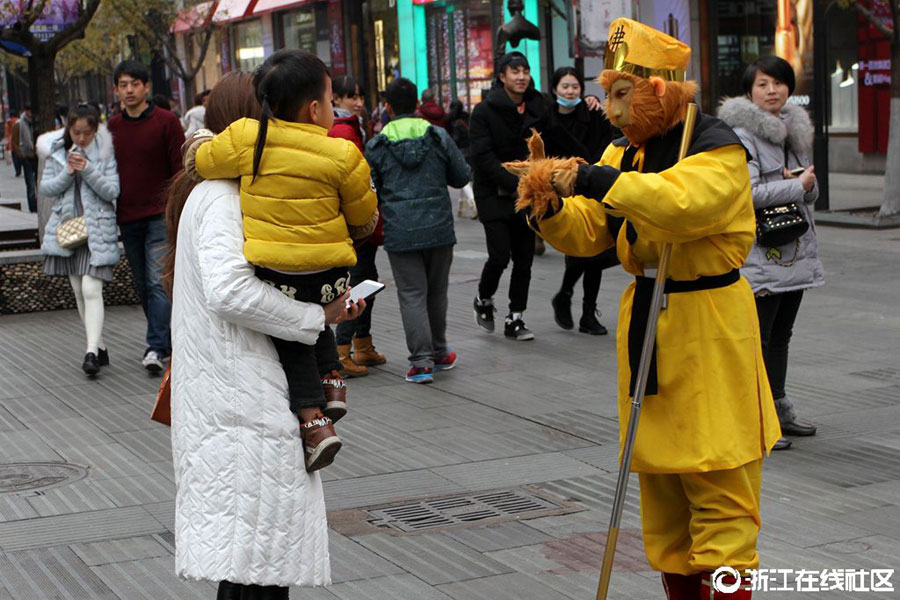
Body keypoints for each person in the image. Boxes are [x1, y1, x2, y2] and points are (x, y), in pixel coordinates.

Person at [509, 19, 780, 599]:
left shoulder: (718, 147)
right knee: (663, 501)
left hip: (708, 323)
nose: (610, 111)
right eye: (607, 95)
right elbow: (596, 231)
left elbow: (682, 204)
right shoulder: (623, 151)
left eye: (621, 95)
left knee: (721, 488)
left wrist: (597, 177)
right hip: (648, 328)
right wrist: (552, 207)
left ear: (659, 92)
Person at [166, 71, 363, 599]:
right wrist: (317, 318)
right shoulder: (225, 197)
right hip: (243, 402)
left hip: (243, 396)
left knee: (256, 563)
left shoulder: (238, 192)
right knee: (255, 567)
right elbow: (230, 291)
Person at [185, 49, 378, 472]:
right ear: (314, 109)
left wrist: (201, 142)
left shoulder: (245, 140)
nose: (335, 109)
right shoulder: (343, 154)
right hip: (330, 273)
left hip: (277, 276)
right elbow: (365, 218)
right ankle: (330, 385)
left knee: (296, 334)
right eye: (331, 101)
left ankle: (314, 423)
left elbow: (202, 163)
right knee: (317, 315)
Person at [718, 55, 823, 452]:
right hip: (761, 252)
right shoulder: (741, 135)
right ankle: (756, 420)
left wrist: (803, 185)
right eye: (763, 84)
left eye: (779, 83)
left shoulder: (793, 131)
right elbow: (744, 193)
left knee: (781, 336)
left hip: (793, 250)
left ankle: (779, 408)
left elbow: (808, 192)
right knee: (758, 339)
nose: (772, 90)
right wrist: (795, 186)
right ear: (749, 90)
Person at [365, 77, 471, 383]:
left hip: (401, 232)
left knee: (412, 294)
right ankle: (440, 352)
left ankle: (421, 362)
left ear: (386, 107)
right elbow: (462, 175)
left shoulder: (377, 145)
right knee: (437, 292)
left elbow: (370, 189)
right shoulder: (438, 137)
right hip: (439, 229)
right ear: (416, 106)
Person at [107, 60, 185, 373]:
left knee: (157, 283)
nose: (129, 90)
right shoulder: (111, 128)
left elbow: (179, 170)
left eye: (134, 84)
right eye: (123, 85)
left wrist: (175, 211)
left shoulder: (167, 122)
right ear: (116, 90)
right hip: (127, 216)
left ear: (147, 87)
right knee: (142, 285)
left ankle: (155, 346)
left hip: (158, 215)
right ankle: (164, 341)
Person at [470, 51, 549, 341]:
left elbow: (557, 137)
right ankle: (484, 298)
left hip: (526, 194)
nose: (521, 77)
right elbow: (482, 156)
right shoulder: (483, 112)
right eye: (515, 71)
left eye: (525, 71)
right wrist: (514, 181)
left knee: (525, 258)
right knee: (500, 255)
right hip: (493, 193)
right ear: (502, 77)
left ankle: (516, 318)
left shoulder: (538, 107)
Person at [39, 103, 120, 376]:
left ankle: (90, 354)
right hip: (69, 232)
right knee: (78, 292)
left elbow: (112, 191)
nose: (81, 138)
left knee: (90, 290)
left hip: (97, 230)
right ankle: (99, 345)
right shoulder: (58, 152)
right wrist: (68, 172)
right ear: (69, 129)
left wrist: (87, 169)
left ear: (96, 129)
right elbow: (46, 188)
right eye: (76, 132)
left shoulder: (105, 152)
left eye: (87, 132)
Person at [542, 66, 616, 336]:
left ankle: (585, 310)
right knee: (577, 251)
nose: (571, 91)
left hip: (592, 186)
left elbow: (605, 145)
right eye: (565, 86)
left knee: (594, 250)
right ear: (554, 90)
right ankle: (566, 296)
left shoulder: (593, 114)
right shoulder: (547, 119)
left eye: (575, 86)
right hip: (564, 194)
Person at [329, 74, 387, 378]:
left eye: (361, 96)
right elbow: (352, 179)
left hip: (358, 221)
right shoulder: (342, 130)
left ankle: (363, 345)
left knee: (369, 278)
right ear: (335, 99)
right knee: (359, 282)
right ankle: (343, 350)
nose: (359, 102)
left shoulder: (352, 126)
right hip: (354, 224)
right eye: (352, 96)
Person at [446, 99, 477, 219]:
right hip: (472, 150)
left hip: (462, 152)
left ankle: (472, 201)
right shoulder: (468, 118)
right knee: (467, 178)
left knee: (465, 180)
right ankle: (461, 207)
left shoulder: (454, 122)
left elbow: (456, 139)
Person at [11, 105, 38, 212]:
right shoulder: (19, 124)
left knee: (37, 181)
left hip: (36, 155)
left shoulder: (34, 123)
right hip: (26, 156)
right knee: (30, 183)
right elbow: (14, 141)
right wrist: (21, 154)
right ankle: (32, 206)